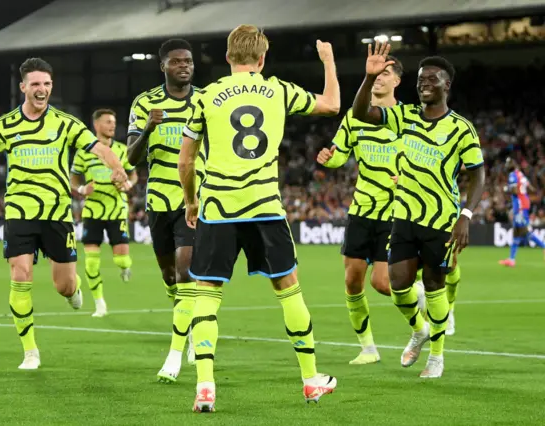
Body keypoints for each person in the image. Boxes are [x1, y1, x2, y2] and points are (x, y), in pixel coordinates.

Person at [179, 24, 341, 413]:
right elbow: (332, 104)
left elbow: (186, 160)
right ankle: (310, 380)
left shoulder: (207, 97)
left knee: (206, 293)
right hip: (265, 205)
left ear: (227, 57)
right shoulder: (279, 89)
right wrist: (329, 62)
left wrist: (190, 201)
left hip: (218, 208)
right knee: (289, 287)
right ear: (263, 58)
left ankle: (205, 387)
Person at [0, 58, 127, 370]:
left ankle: (75, 289)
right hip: (19, 211)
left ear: (51, 87)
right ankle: (30, 351)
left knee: (64, 286)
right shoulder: (5, 125)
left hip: (57, 213)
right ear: (23, 88)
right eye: (35, 84)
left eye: (46, 84)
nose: (41, 89)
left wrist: (118, 169)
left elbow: (99, 149)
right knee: (20, 275)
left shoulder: (66, 123)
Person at [351, 42, 485, 378]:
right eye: (421, 79)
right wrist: (368, 79)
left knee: (435, 285)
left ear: (446, 85)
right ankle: (419, 329)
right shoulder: (404, 116)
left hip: (440, 222)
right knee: (398, 284)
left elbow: (478, 173)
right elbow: (360, 114)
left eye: (432, 79)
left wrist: (466, 215)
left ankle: (437, 356)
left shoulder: (461, 129)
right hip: (404, 219)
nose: (424, 83)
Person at [317, 56, 427, 364]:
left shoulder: (409, 117)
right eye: (376, 73)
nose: (378, 77)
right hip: (362, 208)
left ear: (397, 81)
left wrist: (409, 177)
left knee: (381, 282)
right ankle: (367, 348)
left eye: (386, 73)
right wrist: (330, 158)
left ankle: (420, 326)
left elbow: (425, 157)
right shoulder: (355, 117)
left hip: (395, 212)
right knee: (352, 280)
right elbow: (341, 155)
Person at [126, 39, 203, 383]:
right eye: (177, 62)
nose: (184, 66)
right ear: (164, 67)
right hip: (158, 200)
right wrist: (148, 129)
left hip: (194, 200)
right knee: (170, 276)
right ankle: (184, 325)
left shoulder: (204, 101)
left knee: (188, 271)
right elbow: (131, 157)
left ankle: (175, 354)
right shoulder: (145, 103)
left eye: (188, 61)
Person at [71, 109, 138, 317]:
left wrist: (127, 185)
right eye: (108, 122)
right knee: (91, 261)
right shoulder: (84, 152)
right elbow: (73, 179)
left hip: (117, 210)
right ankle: (100, 303)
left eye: (114, 122)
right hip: (92, 211)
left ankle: (125, 268)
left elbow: (133, 176)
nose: (112, 126)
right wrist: (82, 190)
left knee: (121, 260)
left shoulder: (121, 150)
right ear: (96, 125)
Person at [499, 156, 545, 267]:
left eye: (507, 164)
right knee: (517, 232)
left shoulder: (512, 175)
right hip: (524, 203)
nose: (506, 166)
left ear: (511, 165)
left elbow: (514, 190)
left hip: (519, 206)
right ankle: (511, 259)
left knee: (525, 230)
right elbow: (531, 187)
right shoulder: (520, 174)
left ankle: (543, 246)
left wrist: (507, 189)